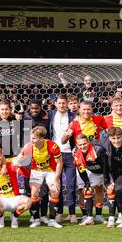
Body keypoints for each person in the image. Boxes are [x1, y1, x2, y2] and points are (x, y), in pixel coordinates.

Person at [13, 127, 63, 228]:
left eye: (34, 138)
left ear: (41, 139)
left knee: (55, 191)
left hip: (51, 170)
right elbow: (18, 158)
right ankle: (36, 220)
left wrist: (56, 178)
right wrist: (17, 162)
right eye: (31, 138)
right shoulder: (29, 146)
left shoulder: (52, 146)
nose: (31, 140)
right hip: (37, 171)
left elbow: (60, 163)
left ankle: (52, 220)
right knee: (34, 193)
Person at [0, 146, 31, 229]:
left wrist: (20, 166)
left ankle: (15, 218)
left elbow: (26, 175)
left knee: (28, 202)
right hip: (1, 199)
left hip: (14, 198)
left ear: (2, 156)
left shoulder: (10, 166)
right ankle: (1, 218)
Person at [49, 94, 78, 224]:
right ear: (55, 104)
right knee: (57, 184)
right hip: (56, 155)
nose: (61, 105)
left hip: (70, 154)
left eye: (64, 103)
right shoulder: (50, 115)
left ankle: (72, 214)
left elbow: (78, 133)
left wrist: (76, 147)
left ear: (67, 104)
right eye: (59, 103)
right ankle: (59, 213)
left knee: (71, 186)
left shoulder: (73, 117)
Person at [72, 134, 107, 226]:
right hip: (91, 171)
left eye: (84, 144)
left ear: (88, 142)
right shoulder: (76, 154)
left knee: (111, 191)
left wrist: (107, 180)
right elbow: (81, 170)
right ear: (77, 145)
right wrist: (87, 183)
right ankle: (88, 217)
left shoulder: (98, 150)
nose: (82, 146)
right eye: (80, 145)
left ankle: (102, 216)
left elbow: (107, 166)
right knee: (86, 191)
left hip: (105, 171)